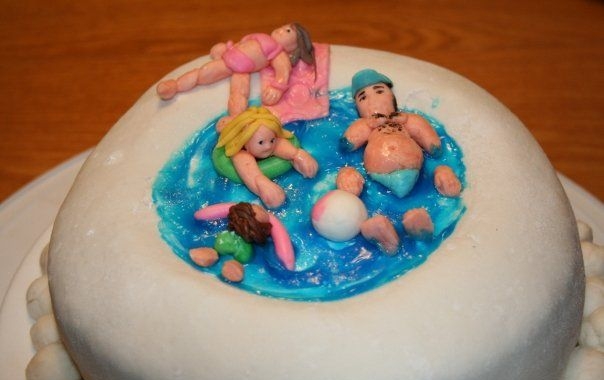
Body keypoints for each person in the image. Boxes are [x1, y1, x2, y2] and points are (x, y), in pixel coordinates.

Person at [339, 69, 462, 238]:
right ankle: (385, 233)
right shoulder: (366, 125)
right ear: (358, 107)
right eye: (363, 97)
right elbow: (347, 143)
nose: (373, 100)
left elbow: (431, 143)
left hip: (413, 168)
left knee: (437, 172)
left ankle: (419, 226)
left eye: (379, 91)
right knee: (352, 182)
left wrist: (431, 144)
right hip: (378, 172)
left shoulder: (406, 120)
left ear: (391, 95)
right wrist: (368, 123)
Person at [156, 23, 315, 127]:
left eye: (288, 31)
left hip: (242, 71)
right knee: (202, 73)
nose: (281, 30)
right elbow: (242, 44)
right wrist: (226, 48)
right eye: (283, 27)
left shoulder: (278, 53)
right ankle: (175, 86)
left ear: (293, 46)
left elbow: (283, 70)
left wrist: (277, 88)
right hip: (227, 59)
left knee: (239, 94)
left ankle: (235, 119)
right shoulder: (259, 35)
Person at [216, 106, 318, 208]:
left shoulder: (271, 142)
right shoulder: (240, 154)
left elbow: (280, 144)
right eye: (261, 142)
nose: (268, 146)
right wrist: (263, 185)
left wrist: (298, 155)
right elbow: (251, 175)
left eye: (272, 140)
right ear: (245, 142)